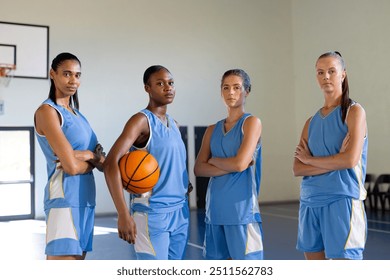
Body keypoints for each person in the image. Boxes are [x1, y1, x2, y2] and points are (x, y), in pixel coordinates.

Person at [103, 65, 189, 260]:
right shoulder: (141, 121)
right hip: (152, 213)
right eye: (160, 83)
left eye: (171, 83)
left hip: (180, 211)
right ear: (147, 88)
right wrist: (123, 213)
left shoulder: (174, 124)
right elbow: (110, 164)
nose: (168, 87)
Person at [293, 51, 368, 260]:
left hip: (341, 200)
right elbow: (297, 168)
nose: (326, 76)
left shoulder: (354, 112)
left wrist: (311, 160)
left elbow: (350, 160)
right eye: (320, 72)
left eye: (331, 71)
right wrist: (336, 160)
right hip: (310, 201)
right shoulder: (311, 122)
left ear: (343, 74)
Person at [34, 53, 105, 260]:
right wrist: (93, 159)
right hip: (65, 200)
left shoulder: (78, 115)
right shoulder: (48, 111)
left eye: (77, 75)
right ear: (52, 74)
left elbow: (103, 161)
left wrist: (90, 155)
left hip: (86, 200)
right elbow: (72, 168)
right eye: (66, 74)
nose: (73, 80)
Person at [194, 69, 263, 260]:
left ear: (247, 91)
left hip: (242, 213)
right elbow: (198, 168)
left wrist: (214, 161)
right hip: (214, 212)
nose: (231, 92)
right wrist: (230, 164)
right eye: (226, 87)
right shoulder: (211, 130)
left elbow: (241, 164)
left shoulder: (251, 123)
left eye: (236, 87)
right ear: (221, 92)